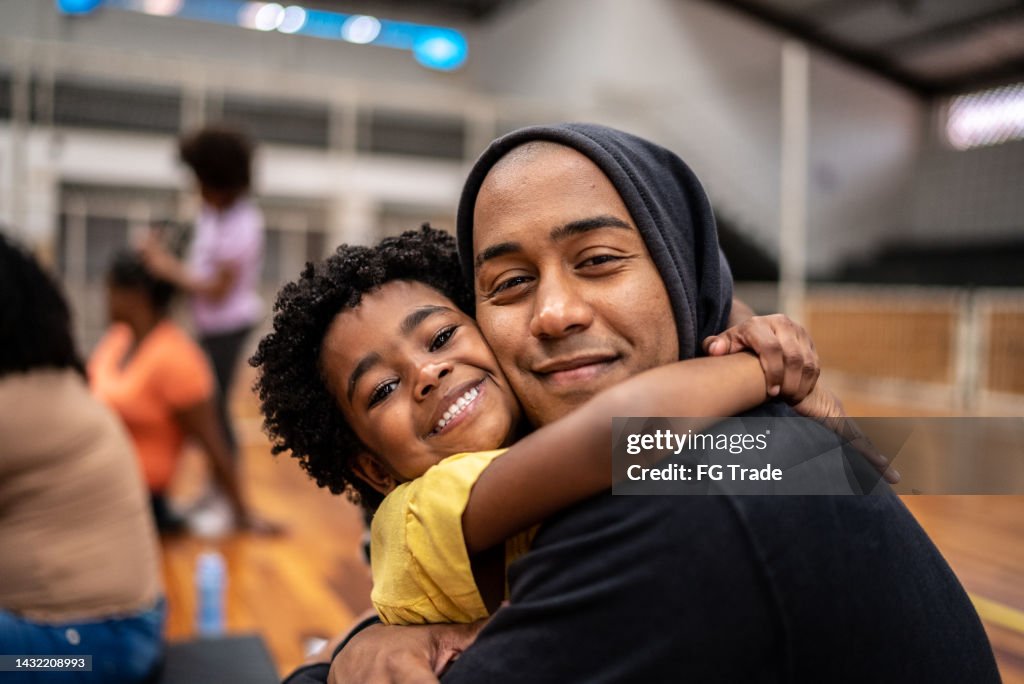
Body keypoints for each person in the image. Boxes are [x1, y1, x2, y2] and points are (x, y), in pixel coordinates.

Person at [291, 124, 999, 683]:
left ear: (678, 267)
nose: (556, 313)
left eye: (598, 260)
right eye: (508, 284)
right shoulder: (756, 446)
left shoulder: (687, 494)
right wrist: (362, 637)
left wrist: (328, 667)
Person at [253, 227, 827, 629]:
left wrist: (744, 325)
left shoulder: (534, 435)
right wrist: (759, 365)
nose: (427, 373)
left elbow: (828, 464)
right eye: (381, 390)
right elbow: (617, 437)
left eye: (442, 337)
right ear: (375, 469)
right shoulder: (418, 512)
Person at [0, 234, 165, 683]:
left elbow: (212, 435)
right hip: (111, 632)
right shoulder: (59, 376)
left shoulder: (14, 405)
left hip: (89, 652)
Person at [89, 251, 270, 533]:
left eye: (111, 291)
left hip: (139, 499)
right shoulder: (116, 341)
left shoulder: (177, 359)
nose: (106, 300)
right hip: (97, 481)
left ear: (135, 296)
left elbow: (213, 443)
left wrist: (242, 513)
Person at [141, 124, 264, 460]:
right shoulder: (214, 212)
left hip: (227, 327)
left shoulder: (242, 224)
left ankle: (225, 494)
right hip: (209, 325)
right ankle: (214, 491)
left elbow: (218, 290)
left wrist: (165, 267)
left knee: (214, 409)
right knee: (209, 407)